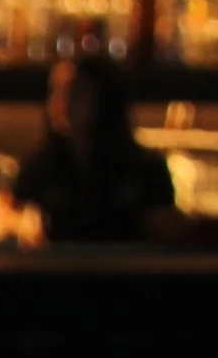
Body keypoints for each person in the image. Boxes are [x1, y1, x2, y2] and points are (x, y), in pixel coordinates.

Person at [13, 55, 186, 245]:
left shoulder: (145, 170)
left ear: (104, 101)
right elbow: (11, 211)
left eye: (76, 93)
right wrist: (19, 222)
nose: (61, 103)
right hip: (56, 272)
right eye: (56, 92)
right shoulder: (40, 166)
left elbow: (167, 230)